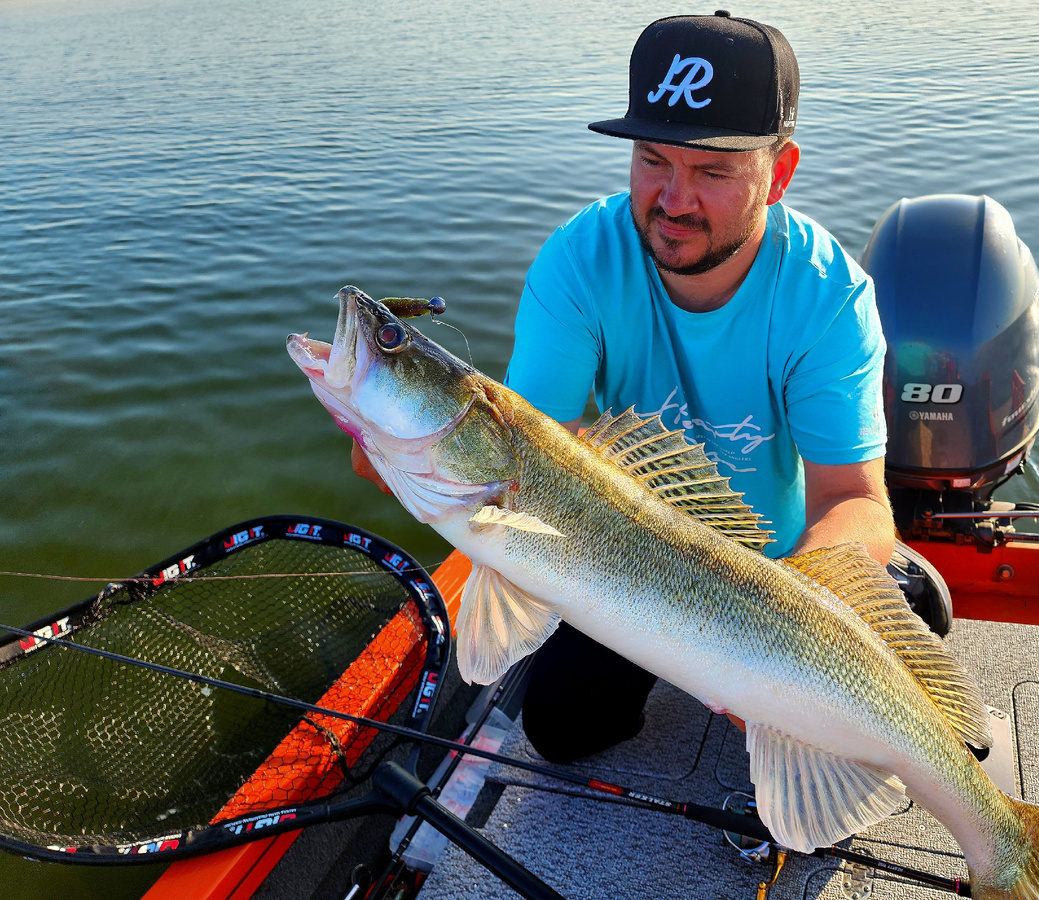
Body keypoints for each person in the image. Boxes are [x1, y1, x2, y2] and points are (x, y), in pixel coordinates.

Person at [353, 11, 894, 763]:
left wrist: (784, 631)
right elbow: (531, 462)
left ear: (781, 173)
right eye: (652, 160)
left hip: (786, 571)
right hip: (628, 561)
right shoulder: (579, 263)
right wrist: (404, 451)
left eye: (712, 171)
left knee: (914, 633)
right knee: (561, 726)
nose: (673, 200)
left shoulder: (828, 297)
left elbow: (855, 501)